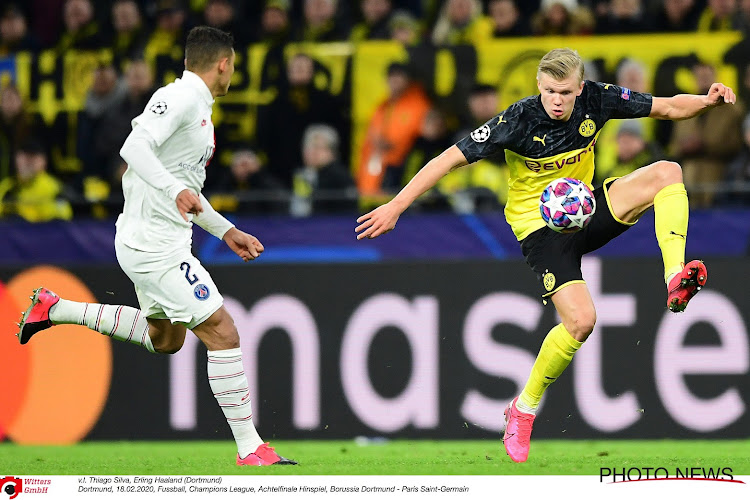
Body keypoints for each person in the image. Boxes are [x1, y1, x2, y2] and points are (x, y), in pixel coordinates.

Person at [355, 48, 735, 463]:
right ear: (539, 86)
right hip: (541, 231)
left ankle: (674, 277)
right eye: (551, 91)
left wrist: (705, 101)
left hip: (584, 209)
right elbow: (448, 159)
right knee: (582, 321)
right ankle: (523, 408)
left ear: (580, 88)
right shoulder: (517, 119)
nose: (558, 100)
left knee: (668, 172)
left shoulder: (597, 98)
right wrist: (396, 205)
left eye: (566, 93)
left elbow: (667, 107)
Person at [16, 26, 296, 467]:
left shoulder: (199, 109)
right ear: (224, 63)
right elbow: (134, 146)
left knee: (165, 340)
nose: (232, 74)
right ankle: (251, 448)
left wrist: (225, 230)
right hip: (155, 248)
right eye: (233, 65)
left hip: (155, 241)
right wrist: (172, 190)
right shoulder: (180, 98)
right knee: (222, 331)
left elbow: (186, 191)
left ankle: (54, 309)